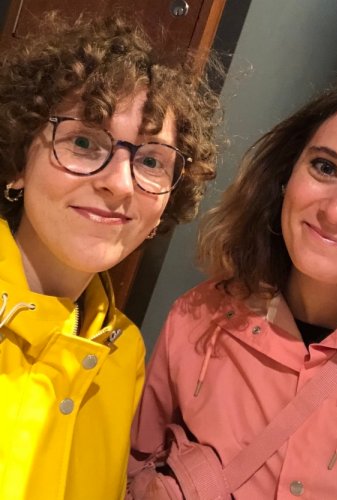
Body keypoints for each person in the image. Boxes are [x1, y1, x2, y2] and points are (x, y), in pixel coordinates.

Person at [129, 75, 337, 499]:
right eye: (326, 168)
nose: (336, 212)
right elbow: (136, 470)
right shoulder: (197, 317)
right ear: (287, 173)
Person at [0, 12, 219, 500]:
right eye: (83, 142)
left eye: (151, 161)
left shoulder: (124, 354)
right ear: (17, 162)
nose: (119, 183)